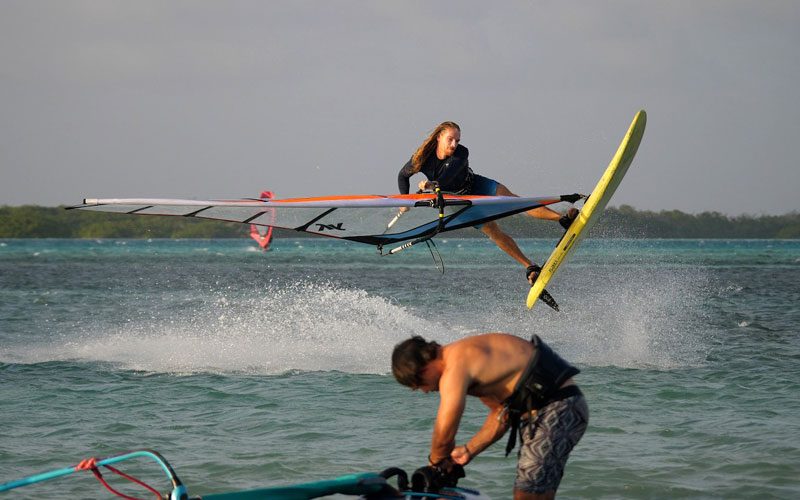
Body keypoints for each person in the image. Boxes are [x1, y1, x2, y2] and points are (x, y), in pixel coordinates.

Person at [392, 333, 588, 500]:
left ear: (424, 367)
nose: (425, 391)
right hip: (554, 410)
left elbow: (445, 430)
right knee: (536, 492)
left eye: (419, 384)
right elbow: (501, 415)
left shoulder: (455, 364)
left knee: (527, 493)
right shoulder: (471, 364)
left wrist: (434, 465)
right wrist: (469, 450)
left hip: (558, 407)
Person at [398, 122, 578, 284]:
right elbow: (403, 175)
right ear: (439, 137)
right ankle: (530, 267)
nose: (454, 144)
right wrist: (404, 199)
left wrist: (432, 184)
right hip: (460, 202)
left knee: (515, 202)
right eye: (450, 139)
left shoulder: (461, 153)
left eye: (457, 140)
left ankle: (562, 220)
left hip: (477, 185)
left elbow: (448, 176)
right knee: (492, 230)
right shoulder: (422, 157)